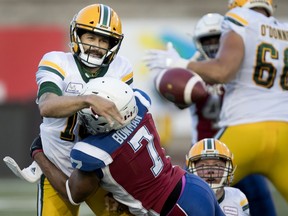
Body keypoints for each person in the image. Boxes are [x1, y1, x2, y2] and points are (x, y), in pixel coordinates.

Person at [144, 0, 288, 211]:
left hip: (240, 136)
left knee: (188, 197)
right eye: (207, 40)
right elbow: (173, 102)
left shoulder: (240, 21)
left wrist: (180, 64)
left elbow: (222, 71)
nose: (214, 45)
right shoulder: (283, 29)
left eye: (218, 39)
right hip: (280, 130)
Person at [33, 77, 225, 216]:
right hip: (192, 185)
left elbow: (72, 194)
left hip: (173, 209)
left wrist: (39, 153)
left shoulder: (94, 153)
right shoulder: (140, 105)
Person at [29, 3, 134, 216]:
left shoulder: (121, 70)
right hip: (57, 165)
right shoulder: (57, 61)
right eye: (91, 37)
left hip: (100, 171)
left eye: (104, 40)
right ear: (77, 36)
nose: (97, 45)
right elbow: (47, 105)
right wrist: (87, 99)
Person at [186, 138, 250, 215]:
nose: (210, 171)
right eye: (203, 166)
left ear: (228, 169)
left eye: (217, 165)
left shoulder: (238, 197)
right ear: (191, 170)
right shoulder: (184, 200)